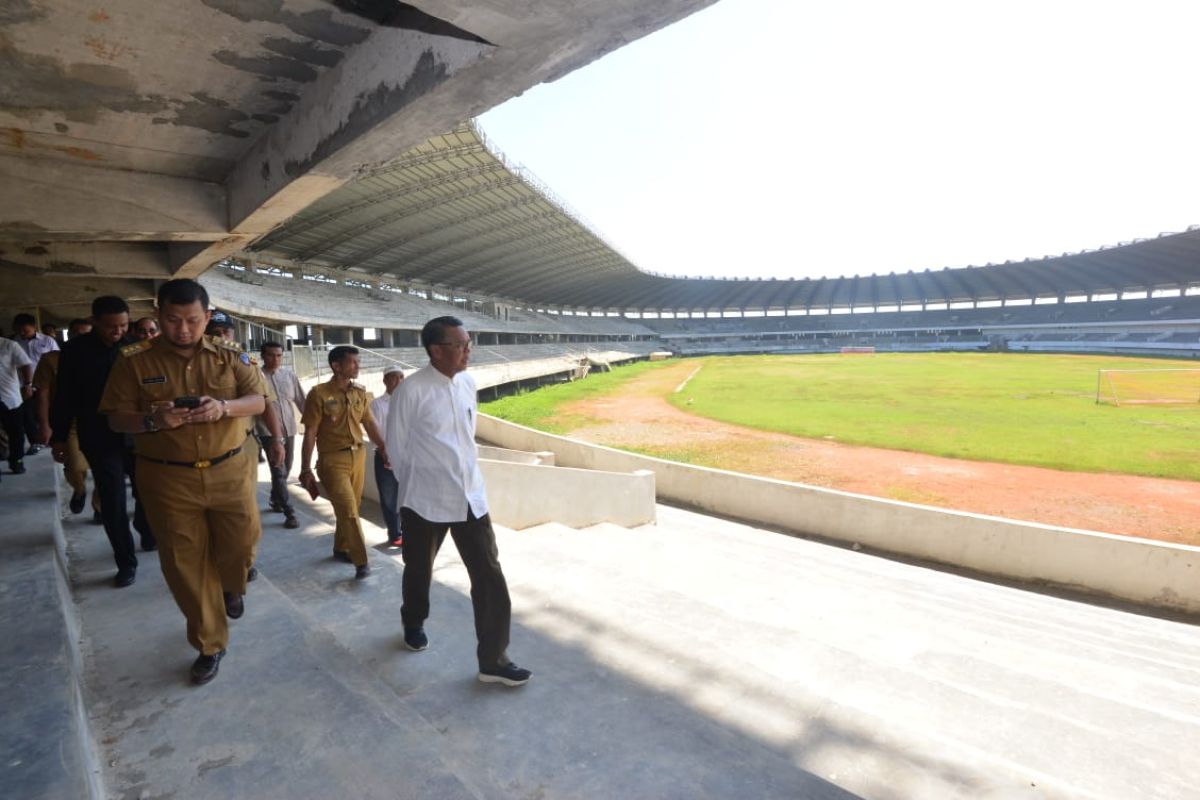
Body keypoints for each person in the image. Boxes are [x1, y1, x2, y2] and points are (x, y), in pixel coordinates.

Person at [99, 279, 267, 685]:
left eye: (193, 320)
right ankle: (210, 643)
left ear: (207, 317)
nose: (184, 329)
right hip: (167, 478)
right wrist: (154, 419)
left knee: (242, 546)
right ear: (159, 316)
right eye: (173, 320)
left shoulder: (231, 356)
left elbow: (259, 400)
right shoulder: (133, 361)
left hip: (229, 471)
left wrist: (223, 407)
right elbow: (116, 416)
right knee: (184, 566)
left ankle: (232, 584)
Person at [385, 316, 531, 687]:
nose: (468, 351)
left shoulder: (468, 383)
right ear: (436, 350)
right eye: (461, 345)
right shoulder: (411, 391)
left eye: (469, 343)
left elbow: (467, 438)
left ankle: (493, 660)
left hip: (470, 499)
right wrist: (421, 487)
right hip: (424, 502)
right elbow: (397, 451)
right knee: (419, 571)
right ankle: (413, 619)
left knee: (490, 579)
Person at [50, 296, 155, 586]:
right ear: (95, 321)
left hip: (136, 433)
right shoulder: (75, 351)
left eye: (123, 325)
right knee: (113, 500)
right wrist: (59, 438)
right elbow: (64, 397)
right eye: (111, 326)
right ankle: (125, 561)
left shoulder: (136, 348)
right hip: (98, 435)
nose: (118, 331)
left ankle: (146, 530)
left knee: (147, 490)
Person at [299, 346, 389, 580]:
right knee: (349, 510)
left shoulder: (359, 392)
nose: (358, 366)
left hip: (358, 456)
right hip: (332, 460)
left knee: (351, 507)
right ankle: (361, 560)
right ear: (336, 366)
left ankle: (341, 548)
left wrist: (383, 447)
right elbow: (310, 432)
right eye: (353, 363)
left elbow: (369, 424)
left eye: (358, 362)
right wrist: (306, 468)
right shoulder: (318, 394)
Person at [33, 319, 101, 516]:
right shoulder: (51, 359)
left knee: (102, 468)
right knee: (74, 465)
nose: (81, 338)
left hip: (98, 419)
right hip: (68, 420)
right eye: (77, 334)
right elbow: (43, 395)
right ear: (68, 336)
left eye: (86, 334)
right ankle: (79, 490)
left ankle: (101, 507)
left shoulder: (100, 357)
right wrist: (44, 425)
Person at [256, 341, 306, 529]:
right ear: (263, 356)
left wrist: (313, 424)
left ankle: (275, 499)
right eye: (270, 355)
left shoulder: (289, 375)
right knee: (279, 470)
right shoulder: (257, 377)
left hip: (290, 430)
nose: (275, 359)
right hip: (268, 432)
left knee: (287, 467)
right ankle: (289, 512)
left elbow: (302, 400)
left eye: (278, 355)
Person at [12, 312, 59, 455]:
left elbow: (57, 360)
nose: (22, 333)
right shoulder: (14, 343)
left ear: (34, 327)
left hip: (46, 383)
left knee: (47, 412)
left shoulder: (47, 341)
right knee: (28, 414)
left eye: (25, 330)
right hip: (24, 384)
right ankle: (35, 442)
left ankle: (52, 437)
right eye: (19, 330)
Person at [370, 366, 405, 547]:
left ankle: (409, 532)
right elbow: (374, 432)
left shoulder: (409, 402)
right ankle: (395, 534)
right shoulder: (377, 404)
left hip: (407, 457)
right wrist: (387, 451)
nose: (399, 381)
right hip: (385, 457)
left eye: (401, 377)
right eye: (394, 378)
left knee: (407, 496)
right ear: (385, 380)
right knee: (389, 497)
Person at [0, 335, 33, 480]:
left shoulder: (9, 345)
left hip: (10, 397)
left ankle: (16, 460)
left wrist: (27, 384)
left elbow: (26, 364)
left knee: (16, 432)